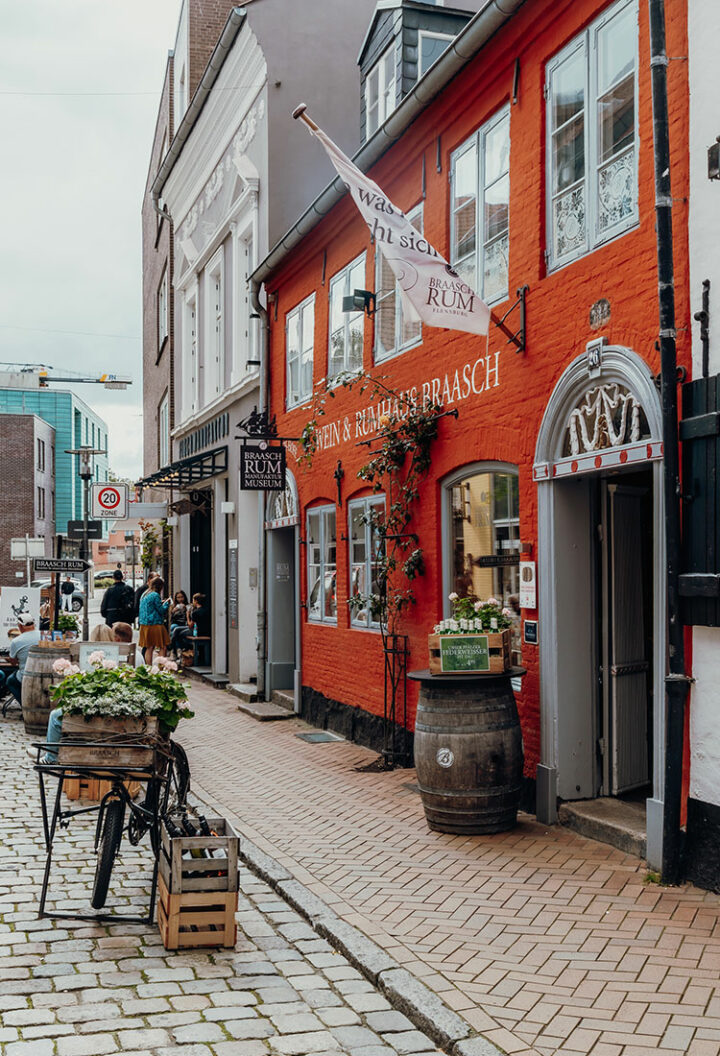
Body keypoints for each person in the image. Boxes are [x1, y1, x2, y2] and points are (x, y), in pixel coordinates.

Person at [29, 622, 137, 764]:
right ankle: (52, 750)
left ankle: (51, 757)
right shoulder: (129, 655)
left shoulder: (88, 657)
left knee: (56, 716)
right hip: (118, 710)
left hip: (94, 713)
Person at [4, 616, 41, 705]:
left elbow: (13, 662)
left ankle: (25, 705)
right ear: (33, 624)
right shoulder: (43, 635)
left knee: (10, 681)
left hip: (26, 675)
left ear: (20, 626)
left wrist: (9, 659)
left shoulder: (16, 641)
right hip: (44, 672)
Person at [138, 577, 170, 667]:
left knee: (149, 647)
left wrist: (160, 602)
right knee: (163, 646)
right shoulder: (155, 595)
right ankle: (161, 667)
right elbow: (161, 610)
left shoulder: (145, 594)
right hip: (155, 624)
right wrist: (167, 604)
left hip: (144, 624)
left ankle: (149, 668)